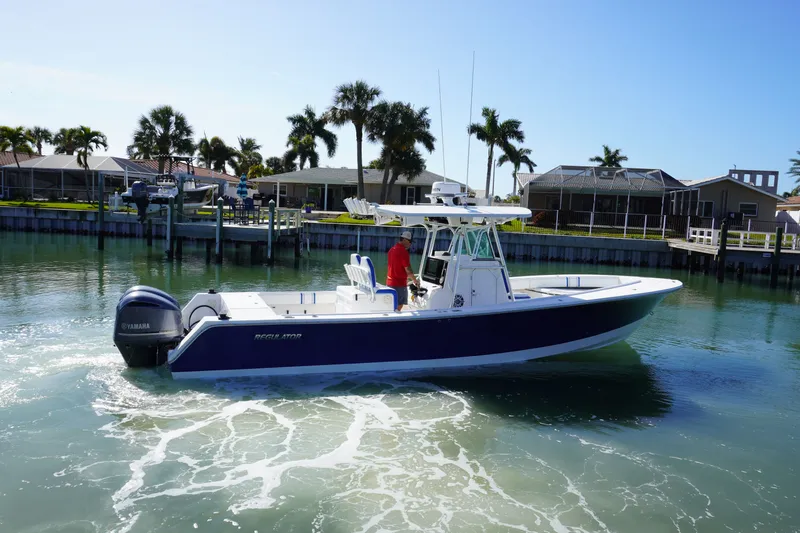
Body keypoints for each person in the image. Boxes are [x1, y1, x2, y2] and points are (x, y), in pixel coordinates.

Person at [387, 230, 419, 311]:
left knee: (392, 305)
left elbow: (396, 267)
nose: (410, 244)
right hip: (399, 284)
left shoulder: (392, 250)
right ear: (404, 240)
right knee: (399, 305)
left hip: (389, 282)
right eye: (410, 241)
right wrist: (415, 281)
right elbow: (408, 270)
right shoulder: (403, 252)